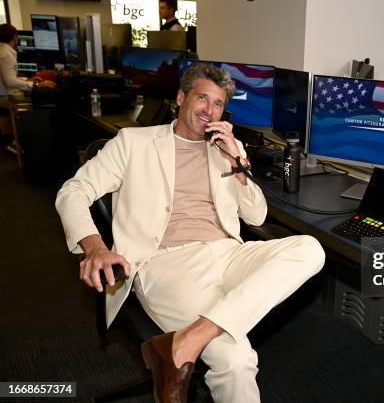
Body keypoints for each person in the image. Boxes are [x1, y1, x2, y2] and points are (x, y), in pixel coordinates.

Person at [55, 63, 325, 403]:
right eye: (202, 98)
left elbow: (256, 214)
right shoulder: (135, 143)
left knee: (311, 249)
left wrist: (237, 164)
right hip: (167, 263)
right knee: (235, 359)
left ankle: (183, 343)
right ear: (181, 97)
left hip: (229, 252)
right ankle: (187, 344)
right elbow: (73, 191)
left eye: (218, 104)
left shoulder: (226, 147)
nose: (209, 111)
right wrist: (94, 247)